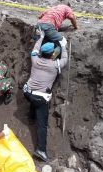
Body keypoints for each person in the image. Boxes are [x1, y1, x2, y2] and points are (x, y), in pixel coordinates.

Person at [23, 29, 68, 162]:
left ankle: (31, 116)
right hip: (41, 98)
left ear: (42, 53)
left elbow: (35, 48)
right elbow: (65, 58)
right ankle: (41, 150)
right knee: (42, 125)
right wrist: (63, 45)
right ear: (52, 54)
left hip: (27, 92)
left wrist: (41, 37)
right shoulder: (55, 65)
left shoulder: (35, 59)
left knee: (33, 101)